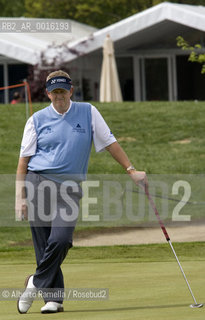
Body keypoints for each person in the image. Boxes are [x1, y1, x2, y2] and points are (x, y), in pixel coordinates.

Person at [15, 70, 147, 314]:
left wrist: (131, 169)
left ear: (71, 91)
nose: (59, 97)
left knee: (61, 239)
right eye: (54, 93)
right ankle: (53, 299)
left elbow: (110, 143)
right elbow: (23, 162)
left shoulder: (88, 112)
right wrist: (20, 198)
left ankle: (34, 282)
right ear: (47, 94)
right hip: (38, 183)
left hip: (69, 188)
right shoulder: (36, 120)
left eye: (63, 92)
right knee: (44, 245)